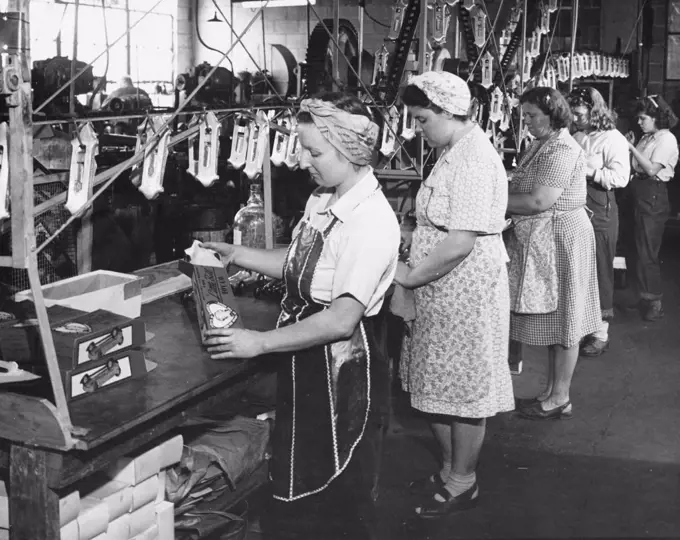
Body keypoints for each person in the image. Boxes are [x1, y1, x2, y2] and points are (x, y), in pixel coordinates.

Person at [202, 92, 401, 539]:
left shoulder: (370, 221)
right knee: (298, 477)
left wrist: (258, 343)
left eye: (314, 151)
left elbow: (341, 320)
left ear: (350, 150)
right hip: (307, 356)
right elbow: (298, 260)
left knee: (334, 487)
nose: (302, 159)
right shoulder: (324, 198)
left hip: (341, 367)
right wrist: (238, 253)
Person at [395, 71, 514, 518]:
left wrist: (409, 277)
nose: (418, 128)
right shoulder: (452, 151)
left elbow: (460, 241)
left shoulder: (474, 161)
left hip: (463, 289)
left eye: (423, 119)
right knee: (439, 382)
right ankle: (449, 470)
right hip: (442, 288)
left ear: (448, 112)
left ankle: (464, 480)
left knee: (462, 388)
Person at [507, 87, 600, 420]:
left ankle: (560, 396)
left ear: (552, 113)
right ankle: (552, 391)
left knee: (566, 320)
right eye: (526, 115)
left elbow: (538, 200)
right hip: (549, 235)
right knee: (555, 321)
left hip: (563, 237)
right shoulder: (543, 143)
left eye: (532, 115)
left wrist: (489, 201)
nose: (527, 121)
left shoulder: (560, 147)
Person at [568, 87, 630, 356]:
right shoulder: (579, 135)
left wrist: (589, 171)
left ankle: (601, 333)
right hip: (578, 205)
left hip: (601, 206)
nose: (574, 117)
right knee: (581, 268)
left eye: (579, 112)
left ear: (594, 111)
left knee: (601, 267)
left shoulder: (612, 138)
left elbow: (620, 178)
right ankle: (585, 327)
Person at [623, 95, 678, 321]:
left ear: (656, 118)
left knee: (647, 251)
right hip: (638, 190)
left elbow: (652, 169)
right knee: (634, 248)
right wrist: (631, 147)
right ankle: (643, 297)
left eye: (643, 118)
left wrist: (630, 148)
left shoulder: (666, 140)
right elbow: (636, 166)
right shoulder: (647, 138)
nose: (639, 122)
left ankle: (655, 301)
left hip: (653, 193)